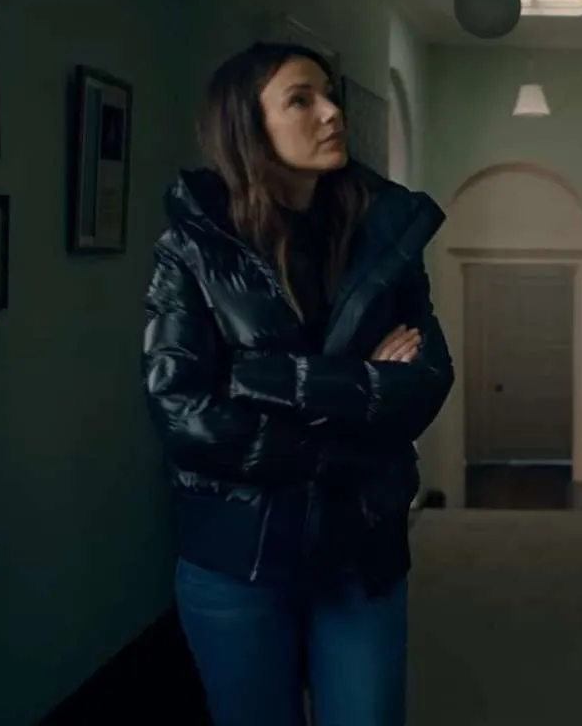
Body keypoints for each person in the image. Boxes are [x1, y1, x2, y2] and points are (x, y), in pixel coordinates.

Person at [142, 41, 454, 726]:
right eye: (301, 99)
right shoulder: (191, 248)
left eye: (329, 94)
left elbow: (427, 380)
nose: (332, 112)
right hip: (237, 557)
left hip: (362, 549)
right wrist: (355, 406)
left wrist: (260, 380)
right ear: (247, 126)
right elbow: (185, 416)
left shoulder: (387, 235)